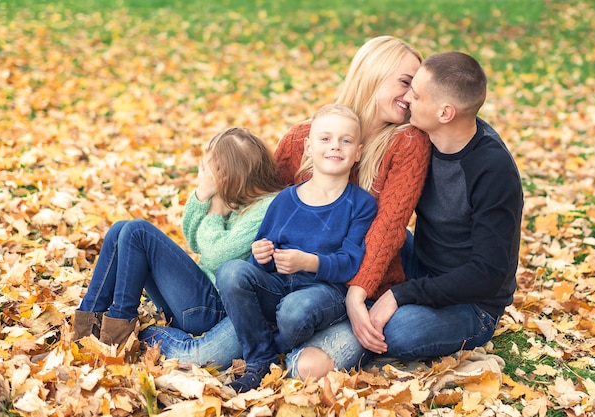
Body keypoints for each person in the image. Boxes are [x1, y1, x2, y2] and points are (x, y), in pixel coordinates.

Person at [138, 36, 431, 375]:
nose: (411, 98)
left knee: (301, 353)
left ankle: (278, 346)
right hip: (281, 284)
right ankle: (166, 334)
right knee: (202, 356)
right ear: (373, 74)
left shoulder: (406, 142)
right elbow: (263, 208)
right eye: (406, 83)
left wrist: (355, 297)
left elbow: (387, 232)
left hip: (351, 292)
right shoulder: (302, 139)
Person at [286, 51, 524, 380]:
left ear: (445, 112)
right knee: (369, 239)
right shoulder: (422, 141)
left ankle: (348, 332)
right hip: (420, 267)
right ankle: (351, 311)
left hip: (471, 302)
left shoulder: (491, 169)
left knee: (400, 331)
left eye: (416, 92)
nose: (408, 97)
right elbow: (388, 224)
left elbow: (487, 274)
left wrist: (399, 295)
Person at [216, 103, 378, 392]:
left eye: (346, 140)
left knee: (295, 310)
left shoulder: (361, 204)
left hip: (325, 292)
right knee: (230, 272)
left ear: (358, 152)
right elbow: (261, 261)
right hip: (278, 285)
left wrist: (308, 262)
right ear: (308, 146)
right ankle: (259, 359)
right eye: (325, 139)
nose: (335, 147)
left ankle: (280, 346)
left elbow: (351, 263)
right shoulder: (286, 200)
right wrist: (261, 256)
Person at [72, 127, 281, 351]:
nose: (207, 176)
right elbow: (193, 239)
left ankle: (117, 335)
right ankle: (85, 330)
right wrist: (202, 195)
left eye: (210, 171)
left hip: (214, 311)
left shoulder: (267, 207)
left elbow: (214, 254)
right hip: (195, 302)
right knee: (120, 230)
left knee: (138, 232)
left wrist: (215, 212)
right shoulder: (237, 198)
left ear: (230, 174)